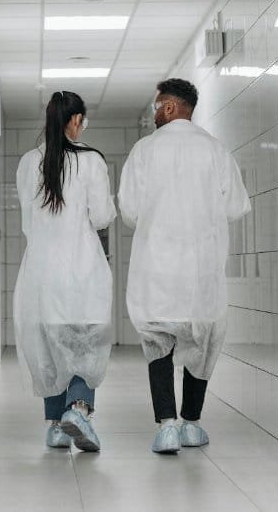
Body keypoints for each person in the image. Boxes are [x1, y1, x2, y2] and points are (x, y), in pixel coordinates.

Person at [119, 78, 251, 454]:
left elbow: (129, 211)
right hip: (202, 268)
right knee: (203, 341)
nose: (154, 113)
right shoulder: (216, 150)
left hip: (158, 266)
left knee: (158, 342)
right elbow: (237, 207)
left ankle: (167, 426)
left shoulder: (144, 151)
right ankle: (192, 423)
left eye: (157, 106)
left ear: (171, 107)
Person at [14, 91, 116, 452]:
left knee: (50, 348)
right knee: (84, 343)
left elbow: (28, 221)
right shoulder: (91, 161)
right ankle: (78, 409)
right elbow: (102, 216)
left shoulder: (29, 162)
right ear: (75, 121)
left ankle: (56, 426)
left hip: (41, 270)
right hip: (82, 266)